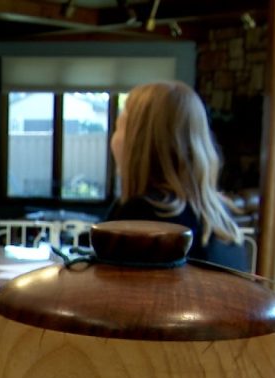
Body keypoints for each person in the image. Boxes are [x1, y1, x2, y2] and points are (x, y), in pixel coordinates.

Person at [106, 81, 249, 272]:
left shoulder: (142, 218)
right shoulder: (219, 216)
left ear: (139, 142)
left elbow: (108, 297)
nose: (113, 138)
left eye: (119, 126)